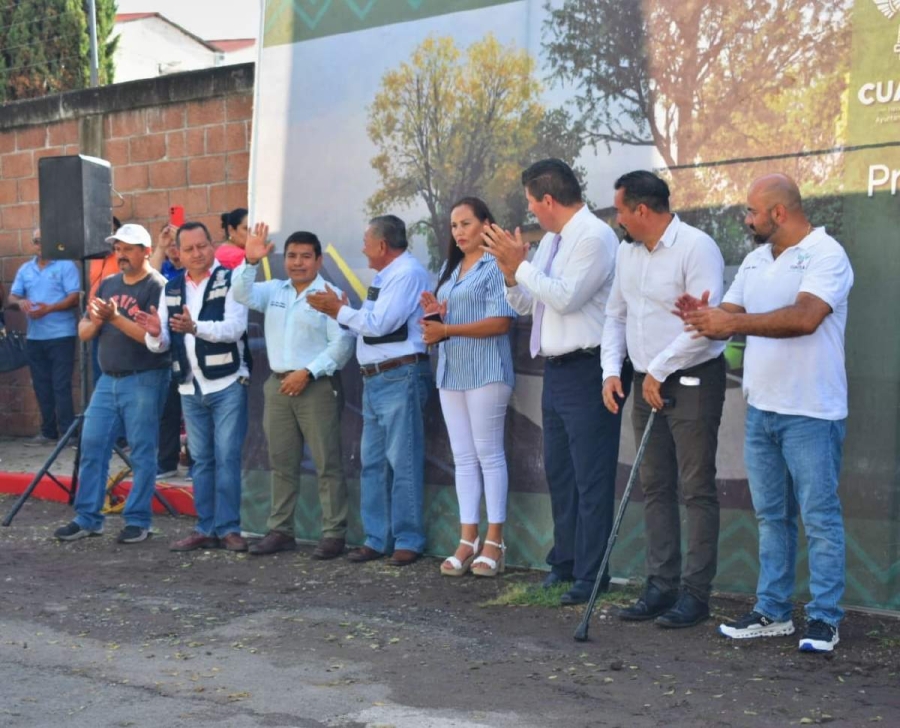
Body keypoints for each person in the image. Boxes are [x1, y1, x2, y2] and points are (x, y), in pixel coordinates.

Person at [680, 173, 853, 653]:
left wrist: (731, 322)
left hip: (812, 412)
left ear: (778, 212)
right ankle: (773, 612)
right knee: (771, 517)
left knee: (819, 517)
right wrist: (702, 317)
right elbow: (726, 317)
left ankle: (824, 619)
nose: (746, 218)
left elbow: (805, 317)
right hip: (762, 411)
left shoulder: (826, 254)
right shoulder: (756, 260)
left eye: (752, 211)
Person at [482, 158, 626, 605]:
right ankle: (564, 562)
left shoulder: (595, 237)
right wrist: (511, 273)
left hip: (589, 368)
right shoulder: (551, 241)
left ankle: (592, 573)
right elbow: (529, 304)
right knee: (560, 473)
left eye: (530, 202)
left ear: (547, 200)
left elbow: (564, 298)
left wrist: (518, 266)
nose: (530, 211)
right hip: (556, 369)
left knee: (591, 476)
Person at [600, 170, 727, 628]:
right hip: (644, 383)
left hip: (691, 377)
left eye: (619, 210)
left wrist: (659, 368)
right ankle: (660, 586)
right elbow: (616, 316)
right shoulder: (626, 252)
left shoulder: (696, 247)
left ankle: (695, 595)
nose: (616, 219)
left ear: (641, 210)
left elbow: (706, 327)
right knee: (654, 485)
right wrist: (612, 370)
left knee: (695, 488)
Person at [308, 215, 432, 566]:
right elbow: (372, 324)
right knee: (373, 463)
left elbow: (380, 325)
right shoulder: (386, 276)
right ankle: (377, 538)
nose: (362, 248)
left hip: (400, 375)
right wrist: (343, 311)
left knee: (402, 461)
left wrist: (341, 310)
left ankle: (408, 539)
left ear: (381, 245)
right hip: (376, 377)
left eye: (366, 241)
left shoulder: (407, 273)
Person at [232, 224, 355, 558]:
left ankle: (333, 534)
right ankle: (281, 530)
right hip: (278, 385)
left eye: (305, 257)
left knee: (327, 463)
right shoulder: (274, 290)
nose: (297, 263)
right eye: (291, 256)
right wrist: (250, 261)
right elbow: (241, 294)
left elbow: (343, 344)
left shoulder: (328, 294)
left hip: (316, 385)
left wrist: (308, 372)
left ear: (318, 260)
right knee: (282, 462)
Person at [137, 221, 251, 552]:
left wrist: (195, 327)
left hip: (228, 381)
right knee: (200, 461)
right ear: (178, 254)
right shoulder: (171, 289)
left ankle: (229, 528)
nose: (196, 253)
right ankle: (206, 528)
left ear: (212, 245)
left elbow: (235, 328)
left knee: (227, 457)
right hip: (190, 386)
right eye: (188, 249)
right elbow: (160, 344)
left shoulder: (230, 281)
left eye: (201, 246)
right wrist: (155, 333)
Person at [53, 224, 171, 544]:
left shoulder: (158, 286)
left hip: (145, 378)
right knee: (92, 446)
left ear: (146, 251)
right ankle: (88, 518)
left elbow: (155, 341)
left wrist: (116, 318)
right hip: (108, 380)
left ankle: (138, 520)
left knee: (143, 452)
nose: (121, 254)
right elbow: (84, 331)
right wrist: (100, 320)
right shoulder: (107, 284)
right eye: (118, 248)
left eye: (129, 248)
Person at [420, 198, 516, 577]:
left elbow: (500, 323)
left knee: (488, 454)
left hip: (487, 370)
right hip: (451, 371)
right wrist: (434, 314)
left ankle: (495, 541)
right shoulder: (450, 267)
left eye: (466, 223)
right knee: (463, 457)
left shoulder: (496, 264)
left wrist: (447, 329)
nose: (459, 232)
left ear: (486, 224)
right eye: (454, 226)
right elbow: (447, 320)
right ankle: (467, 540)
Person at [8, 228, 80, 445]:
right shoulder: (25, 269)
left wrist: (48, 309)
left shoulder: (66, 265)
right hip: (35, 336)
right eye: (36, 241)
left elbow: (74, 297)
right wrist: (20, 302)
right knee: (41, 385)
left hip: (61, 335)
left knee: (60, 384)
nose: (39, 245)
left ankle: (68, 433)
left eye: (43, 241)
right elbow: (12, 297)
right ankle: (48, 432)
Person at [149, 223, 186, 479]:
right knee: (167, 409)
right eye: (170, 245)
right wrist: (161, 247)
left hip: (194, 344)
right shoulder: (164, 270)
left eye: (177, 244)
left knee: (195, 411)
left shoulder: (196, 271)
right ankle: (167, 463)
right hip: (166, 345)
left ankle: (197, 463)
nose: (174, 250)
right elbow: (146, 275)